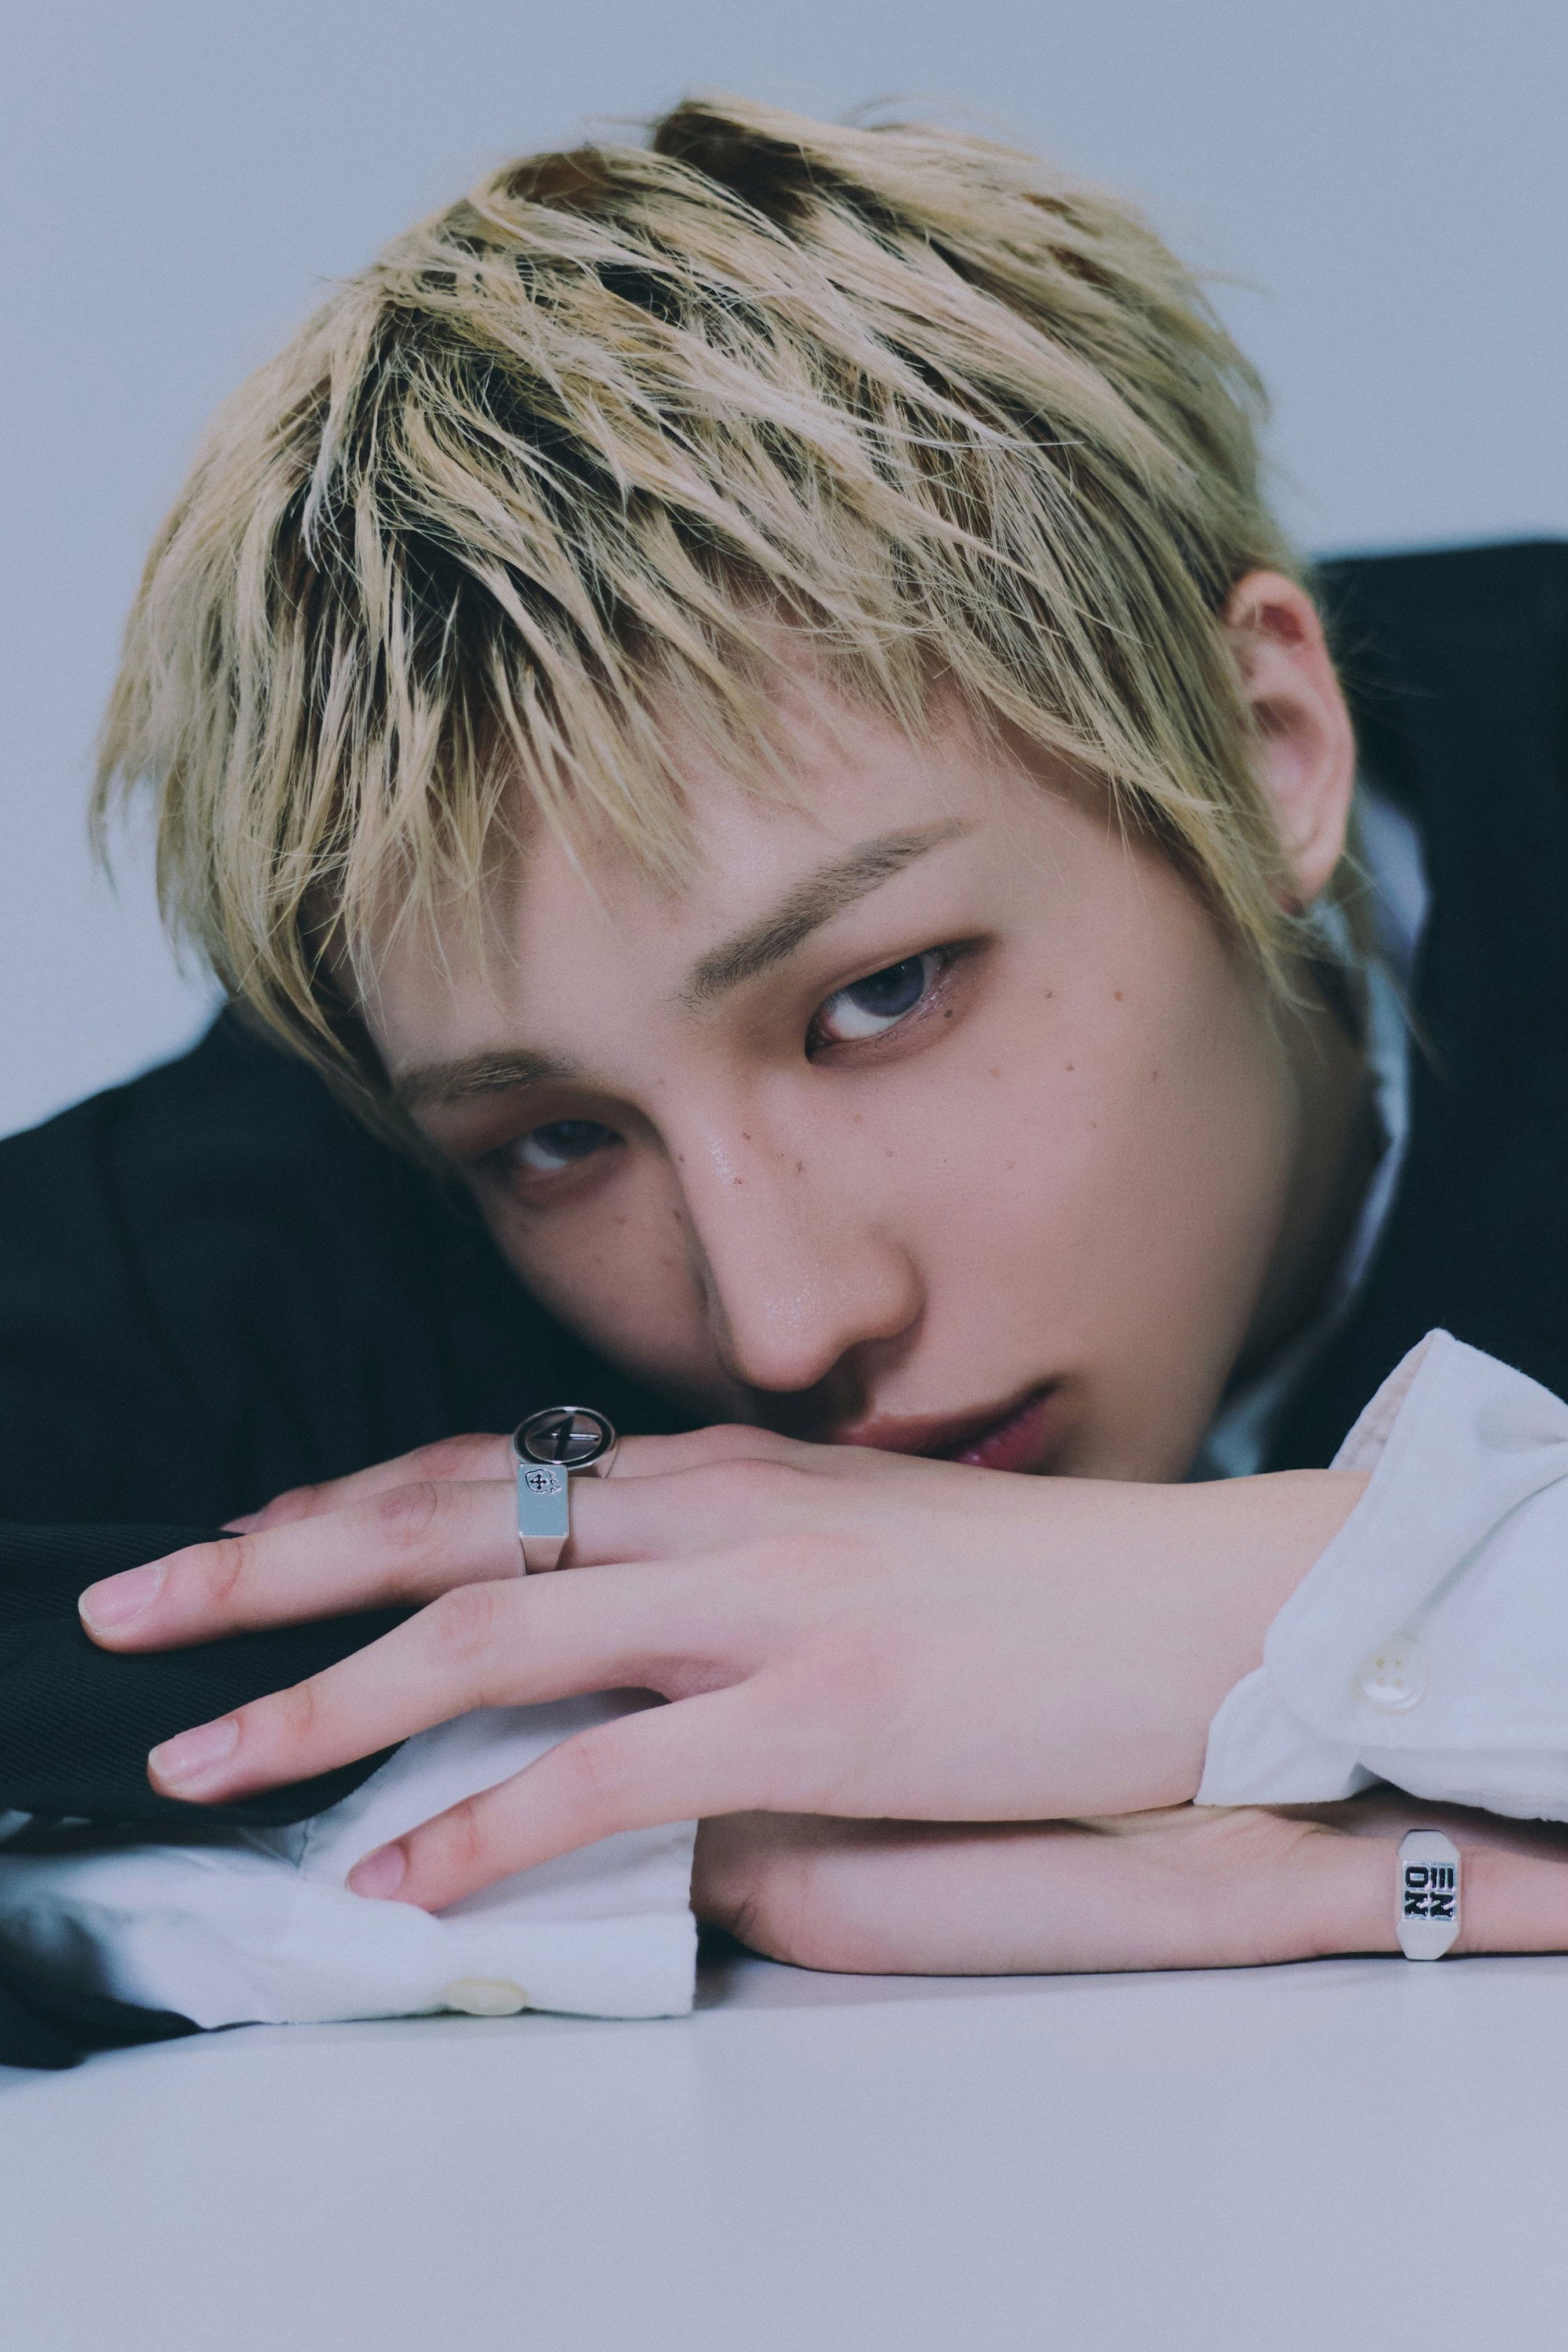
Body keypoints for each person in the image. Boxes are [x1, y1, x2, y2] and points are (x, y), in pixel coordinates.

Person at [6, 95, 1568, 2066]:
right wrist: (651, 1823)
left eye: (880, 997)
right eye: (561, 1141)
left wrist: (1272, 1611)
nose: (784, 1322)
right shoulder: (334, 1176)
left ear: (1266, 757)